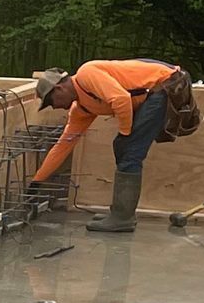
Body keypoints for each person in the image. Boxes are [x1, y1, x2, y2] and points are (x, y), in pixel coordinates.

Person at [29, 60, 187, 233]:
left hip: (167, 85)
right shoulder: (81, 109)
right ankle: (121, 214)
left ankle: (122, 218)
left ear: (59, 89)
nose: (54, 107)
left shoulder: (86, 75)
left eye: (51, 102)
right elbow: (63, 145)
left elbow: (121, 99)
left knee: (129, 150)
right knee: (125, 147)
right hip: (156, 92)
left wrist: (124, 135)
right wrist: (36, 182)